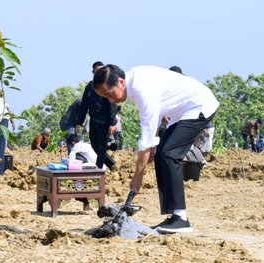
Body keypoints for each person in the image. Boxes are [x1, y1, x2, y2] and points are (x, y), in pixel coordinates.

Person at [93, 64, 219, 234]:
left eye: (109, 94)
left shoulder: (141, 89)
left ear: (121, 82)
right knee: (162, 154)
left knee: (169, 154)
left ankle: (181, 219)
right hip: (180, 111)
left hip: (199, 105)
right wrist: (153, 146)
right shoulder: (134, 84)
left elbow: (146, 138)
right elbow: (155, 118)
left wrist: (137, 178)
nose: (110, 100)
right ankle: (174, 216)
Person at [77, 61, 118, 169]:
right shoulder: (89, 87)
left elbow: (112, 104)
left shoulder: (106, 86)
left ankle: (99, 169)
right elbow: (84, 105)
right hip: (93, 120)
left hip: (104, 121)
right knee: (95, 146)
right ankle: (111, 164)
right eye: (96, 72)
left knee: (102, 146)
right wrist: (79, 122)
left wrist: (112, 123)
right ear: (93, 72)